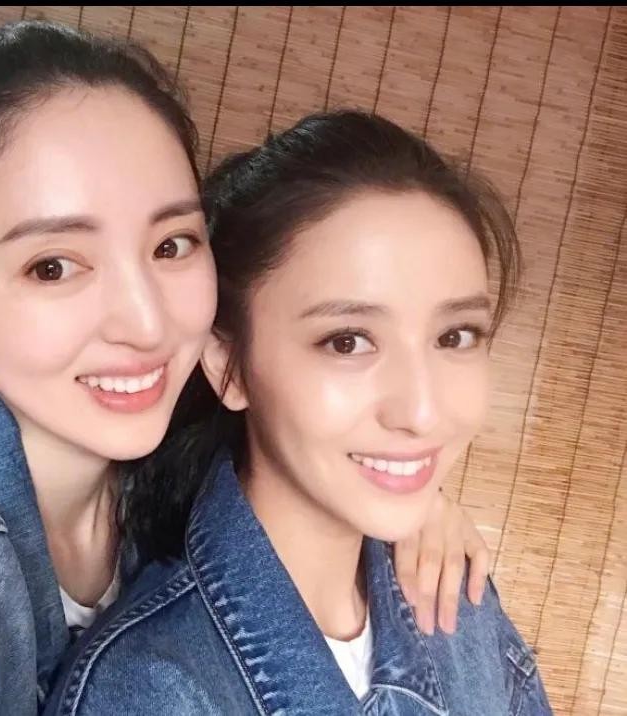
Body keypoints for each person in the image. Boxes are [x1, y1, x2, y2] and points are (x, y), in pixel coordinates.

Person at [0, 20, 490, 713]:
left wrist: (410, 498)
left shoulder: (181, 453)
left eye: (170, 246)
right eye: (53, 267)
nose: (147, 323)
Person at [45, 110, 553, 715]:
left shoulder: (457, 604)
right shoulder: (153, 689)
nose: (421, 412)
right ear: (228, 366)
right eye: (347, 342)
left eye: (455, 337)